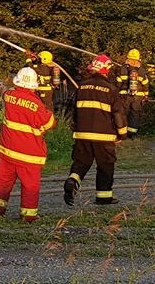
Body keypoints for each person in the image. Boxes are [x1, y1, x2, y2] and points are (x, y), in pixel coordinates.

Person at [0, 67, 56, 222]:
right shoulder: (36, 103)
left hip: (8, 149)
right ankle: (28, 215)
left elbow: (9, 94)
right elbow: (49, 123)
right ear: (33, 85)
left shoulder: (8, 96)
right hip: (28, 153)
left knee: (3, 180)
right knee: (30, 185)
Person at [63, 55, 126, 206]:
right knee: (105, 166)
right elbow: (118, 114)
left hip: (82, 134)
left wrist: (75, 127)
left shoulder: (81, 87)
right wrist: (122, 133)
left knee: (81, 162)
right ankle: (104, 197)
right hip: (104, 136)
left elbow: (72, 111)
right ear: (107, 70)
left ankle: (72, 180)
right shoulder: (111, 89)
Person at [115, 49, 149, 139]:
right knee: (135, 114)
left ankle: (123, 133)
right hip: (138, 96)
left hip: (124, 95)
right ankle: (132, 134)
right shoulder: (142, 71)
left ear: (127, 58)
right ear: (139, 60)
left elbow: (118, 83)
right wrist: (146, 95)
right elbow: (145, 84)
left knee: (123, 113)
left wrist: (116, 93)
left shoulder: (122, 69)